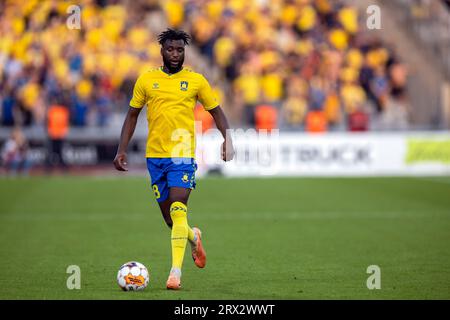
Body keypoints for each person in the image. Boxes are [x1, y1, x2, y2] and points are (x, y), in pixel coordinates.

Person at [113, 29, 235, 290]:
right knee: (171, 221)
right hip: (155, 157)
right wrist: (121, 149)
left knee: (179, 210)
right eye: (171, 49)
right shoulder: (147, 80)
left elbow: (216, 111)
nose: (176, 54)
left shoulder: (196, 81)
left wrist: (228, 139)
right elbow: (132, 115)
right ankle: (194, 236)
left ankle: (175, 273)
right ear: (162, 51)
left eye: (180, 50)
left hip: (182, 154)